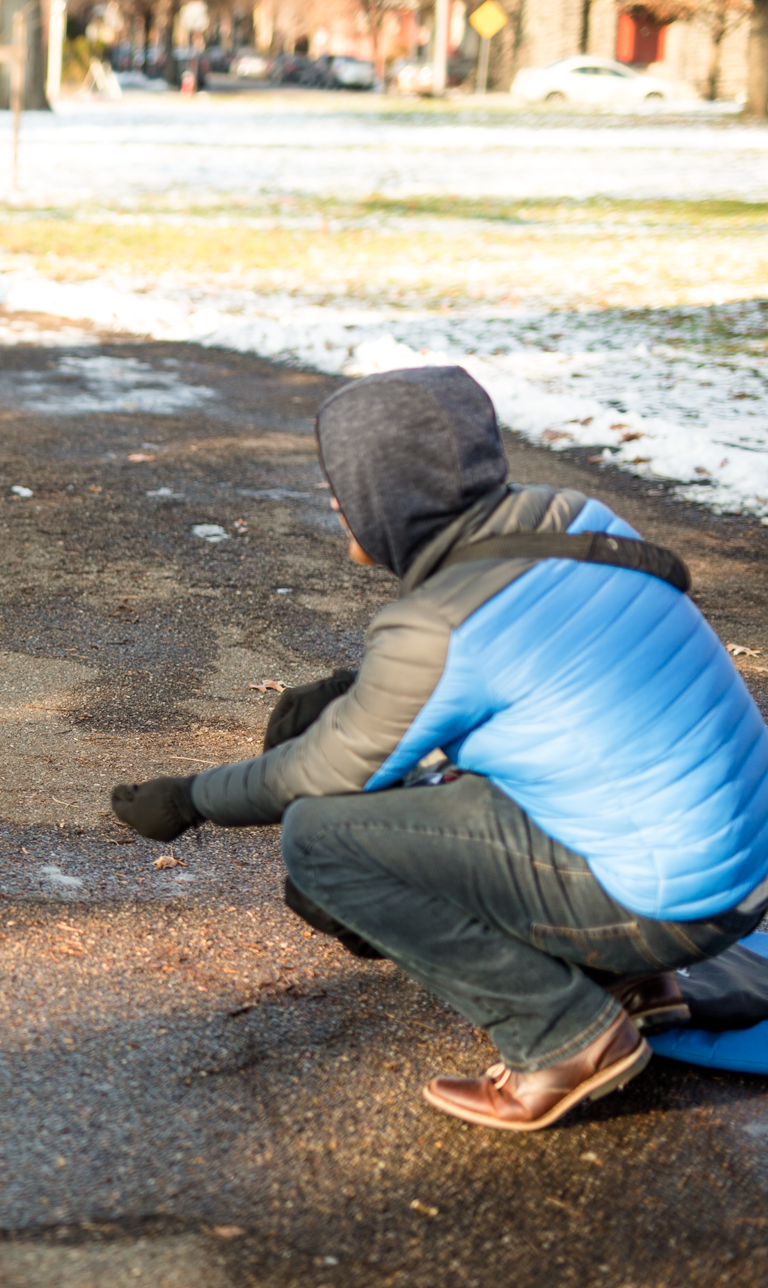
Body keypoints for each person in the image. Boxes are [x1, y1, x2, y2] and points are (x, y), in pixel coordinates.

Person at [109, 366, 768, 1133]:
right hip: (737, 861)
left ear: (390, 493)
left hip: (675, 900)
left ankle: (564, 1040)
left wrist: (188, 798)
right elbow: (546, 690)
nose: (334, 502)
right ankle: (637, 982)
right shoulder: (579, 522)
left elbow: (320, 773)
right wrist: (358, 699)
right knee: (459, 778)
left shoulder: (443, 622)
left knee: (323, 840)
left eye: (343, 482)